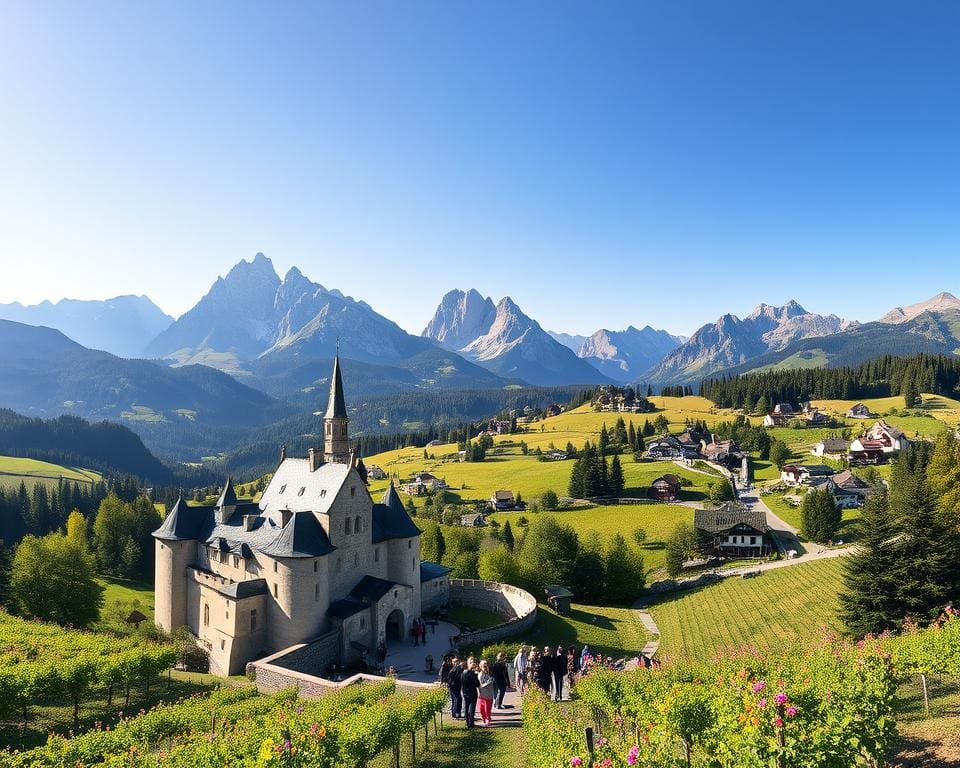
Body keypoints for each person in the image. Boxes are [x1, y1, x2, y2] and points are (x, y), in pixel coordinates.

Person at [460, 658, 480, 728]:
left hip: (465, 692)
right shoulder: (473, 674)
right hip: (472, 692)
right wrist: (476, 675)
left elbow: (462, 683)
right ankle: (471, 723)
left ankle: (467, 722)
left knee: (466, 707)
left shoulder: (463, 673)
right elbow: (477, 684)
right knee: (471, 708)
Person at [477, 660, 496, 726]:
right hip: (482, 695)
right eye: (484, 666)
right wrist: (488, 682)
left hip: (489, 695)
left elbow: (493, 681)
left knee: (487, 709)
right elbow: (480, 685)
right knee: (481, 709)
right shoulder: (480, 675)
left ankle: (488, 720)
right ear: (480, 666)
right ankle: (484, 719)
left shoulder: (490, 673)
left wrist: (491, 681)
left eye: (486, 665)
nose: (485, 667)